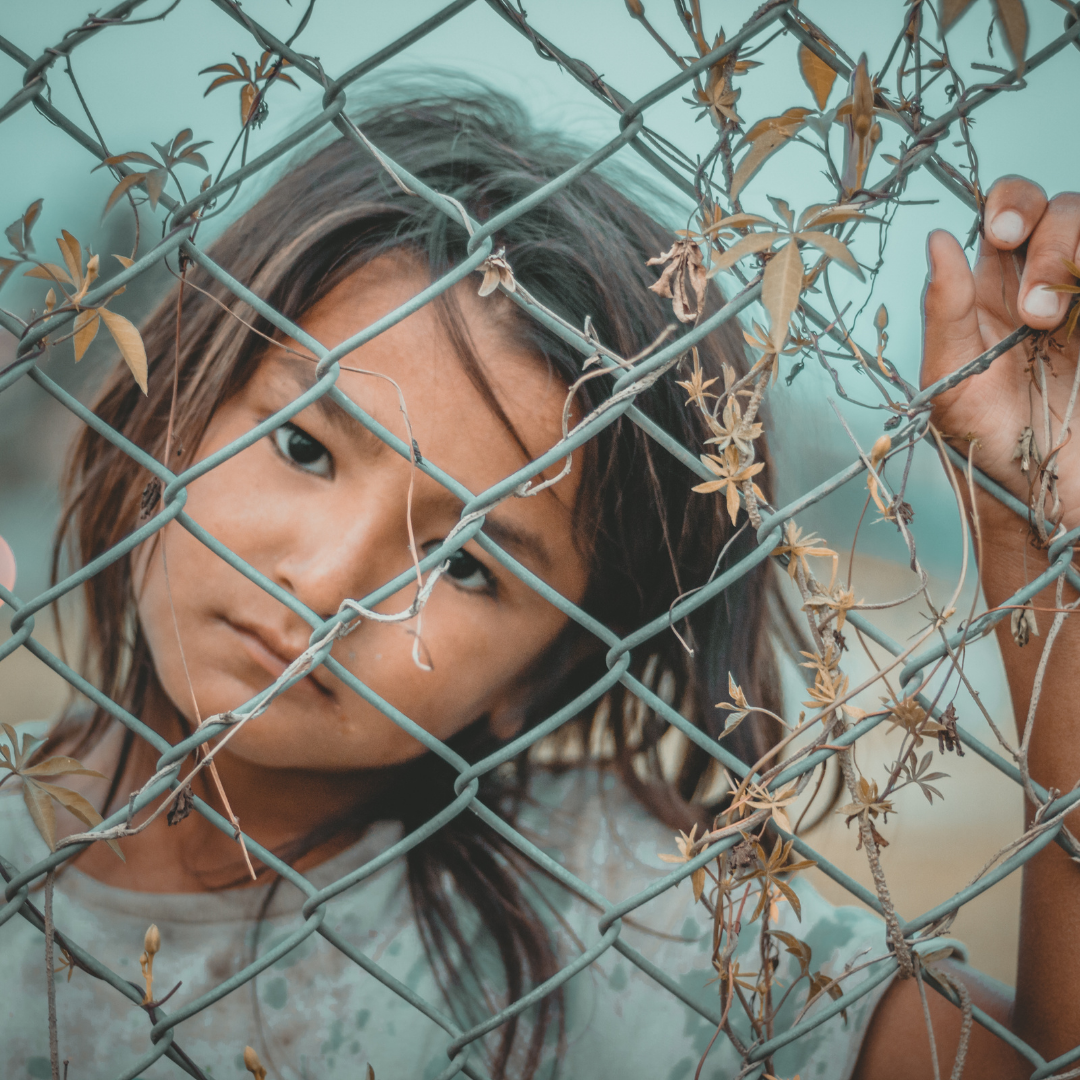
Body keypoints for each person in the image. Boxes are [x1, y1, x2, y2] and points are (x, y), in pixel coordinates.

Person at [0, 89, 1077, 1080]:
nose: (328, 585)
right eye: (305, 445)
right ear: (175, 399)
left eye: (467, 563)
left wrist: (1041, 544)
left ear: (549, 664)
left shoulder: (610, 921)